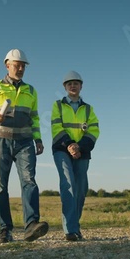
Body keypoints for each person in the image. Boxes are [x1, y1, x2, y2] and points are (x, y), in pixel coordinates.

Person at [0, 48, 49, 243]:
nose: (20, 69)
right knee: (0, 185)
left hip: (25, 142)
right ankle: (5, 229)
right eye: (17, 65)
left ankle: (31, 226)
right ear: (7, 65)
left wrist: (39, 139)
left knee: (29, 181)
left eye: (23, 66)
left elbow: (34, 118)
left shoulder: (31, 90)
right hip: (0, 141)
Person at [51, 70, 100, 241]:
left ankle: (75, 225)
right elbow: (57, 129)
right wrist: (71, 145)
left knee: (80, 189)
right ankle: (70, 230)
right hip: (62, 150)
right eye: (69, 83)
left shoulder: (88, 109)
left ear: (81, 86)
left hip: (82, 151)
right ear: (65, 87)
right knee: (69, 185)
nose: (73, 85)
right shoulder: (57, 106)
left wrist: (80, 146)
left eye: (76, 83)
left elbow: (94, 131)